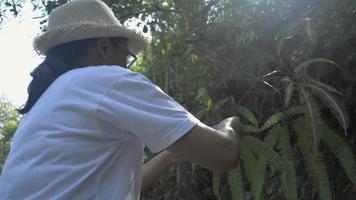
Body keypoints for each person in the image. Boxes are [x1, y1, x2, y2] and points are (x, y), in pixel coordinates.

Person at [0, 0, 241, 199]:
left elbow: (118, 186)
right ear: (104, 47)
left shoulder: (48, 100)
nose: (127, 63)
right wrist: (228, 126)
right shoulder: (104, 80)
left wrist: (168, 156)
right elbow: (224, 155)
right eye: (127, 54)